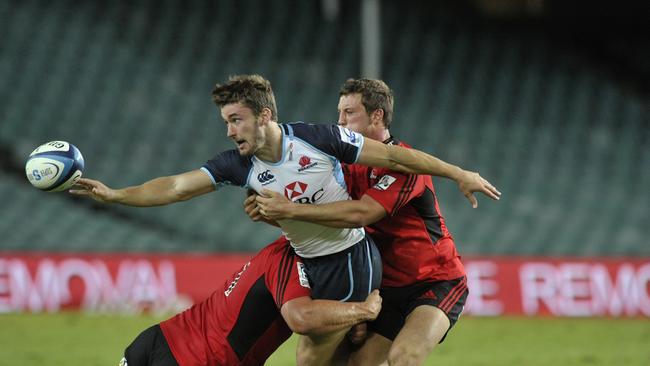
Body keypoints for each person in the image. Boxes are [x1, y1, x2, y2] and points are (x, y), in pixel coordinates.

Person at [71, 74, 498, 365]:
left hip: (386, 269)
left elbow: (376, 185)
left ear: (264, 116)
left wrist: (459, 172)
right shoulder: (239, 165)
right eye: (226, 122)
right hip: (345, 268)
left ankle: (360, 318)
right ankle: (359, 322)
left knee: (367, 357)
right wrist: (116, 194)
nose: (230, 131)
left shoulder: (319, 141)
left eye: (236, 120)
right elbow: (178, 186)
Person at [249, 78, 500, 366]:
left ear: (377, 116)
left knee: (403, 358)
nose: (339, 121)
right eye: (339, 112)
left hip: (435, 279)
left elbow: (362, 214)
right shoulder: (341, 164)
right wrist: (271, 214)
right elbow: (323, 220)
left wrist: (290, 210)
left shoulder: (406, 165)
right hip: (384, 288)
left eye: (349, 113)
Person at [118, 236, 383, 366]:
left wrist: (351, 318)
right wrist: (364, 310)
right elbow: (302, 318)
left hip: (156, 338)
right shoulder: (289, 260)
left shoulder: (279, 249)